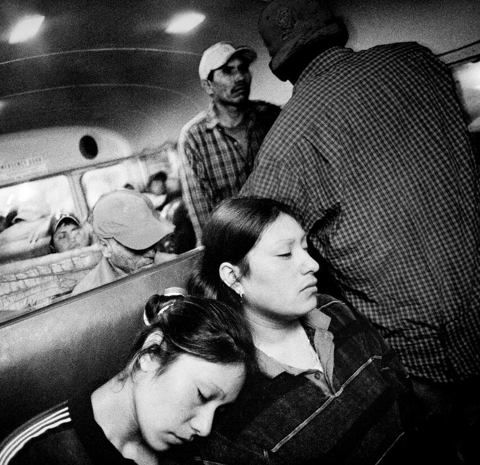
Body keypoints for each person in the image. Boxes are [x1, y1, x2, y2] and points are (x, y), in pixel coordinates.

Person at [242, 0, 480, 462]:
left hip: (426, 357)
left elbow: (243, 236)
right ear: (337, 29)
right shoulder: (421, 63)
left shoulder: (289, 141)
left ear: (282, 66)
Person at [179, 197, 428, 464]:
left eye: (305, 247)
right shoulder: (229, 391)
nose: (312, 264)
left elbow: (408, 405)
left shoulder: (334, 310)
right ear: (234, 277)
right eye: (285, 254)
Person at [4, 291, 256, 465]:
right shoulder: (33, 454)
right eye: (201, 395)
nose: (204, 427)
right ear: (151, 354)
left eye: (219, 410)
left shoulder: (192, 453)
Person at [177, 41, 281, 244]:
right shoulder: (194, 137)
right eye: (227, 71)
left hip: (282, 235)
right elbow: (203, 217)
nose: (240, 77)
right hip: (236, 246)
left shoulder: (270, 117)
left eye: (243, 69)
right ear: (208, 85)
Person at [70, 190, 176, 296]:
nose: (152, 253)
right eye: (137, 246)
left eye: (151, 240)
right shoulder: (86, 296)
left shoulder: (174, 265)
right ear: (105, 247)